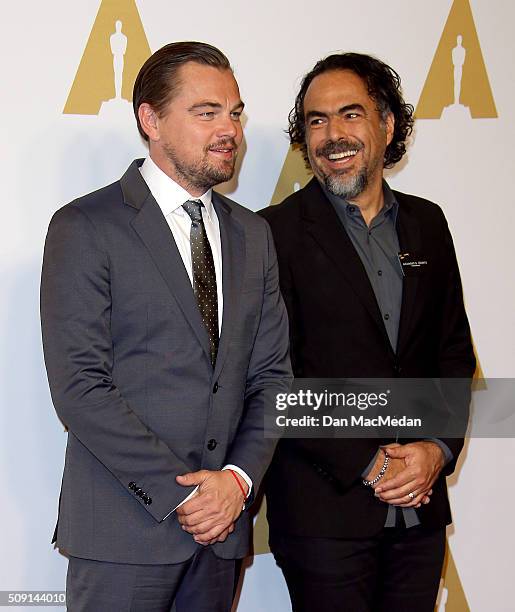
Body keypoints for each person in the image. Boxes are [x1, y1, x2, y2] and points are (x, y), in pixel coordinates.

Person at [41, 41, 291, 612]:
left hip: (222, 533)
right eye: (206, 113)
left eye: (234, 112)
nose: (229, 129)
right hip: (122, 536)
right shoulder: (86, 226)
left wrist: (237, 481)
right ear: (150, 120)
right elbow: (81, 388)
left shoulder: (253, 236)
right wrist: (186, 496)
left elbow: (273, 379)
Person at [259, 52, 475, 612]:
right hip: (322, 513)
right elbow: (276, 377)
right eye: (316, 120)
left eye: (350, 115)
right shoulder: (272, 233)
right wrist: (372, 462)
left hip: (420, 511)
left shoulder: (428, 223)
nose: (333, 135)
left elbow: (453, 354)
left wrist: (436, 448)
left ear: (386, 125)